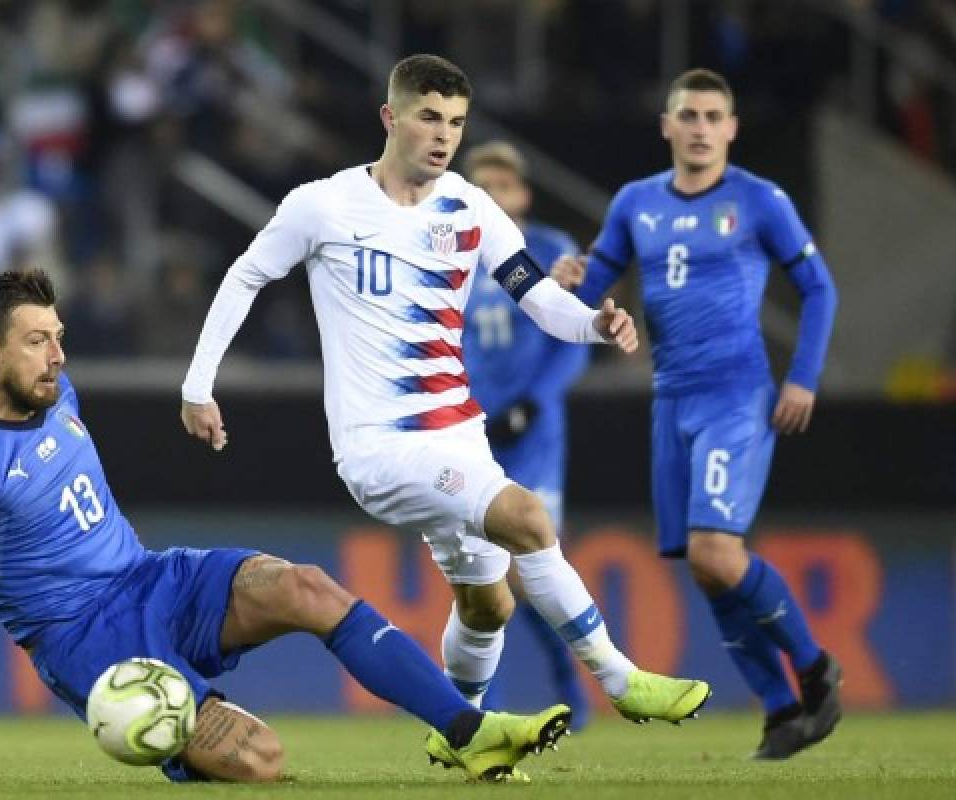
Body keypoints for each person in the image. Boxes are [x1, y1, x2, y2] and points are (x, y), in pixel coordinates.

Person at [180, 53, 710, 770]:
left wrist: (595, 324)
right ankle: (623, 679)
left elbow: (534, 293)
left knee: (490, 606)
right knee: (528, 517)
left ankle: (454, 734)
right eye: (429, 117)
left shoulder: (468, 205)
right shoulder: (324, 204)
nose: (443, 135)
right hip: (379, 448)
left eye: (456, 122)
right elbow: (246, 276)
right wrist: (197, 386)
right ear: (390, 118)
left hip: (459, 437)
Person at [0, 269, 573, 789]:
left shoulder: (57, 390)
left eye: (59, 338)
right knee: (261, 760)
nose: (58, 357)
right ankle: (184, 742)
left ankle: (466, 730)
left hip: (151, 578)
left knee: (304, 586)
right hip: (85, 640)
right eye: (37, 343)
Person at [560, 68, 842, 760]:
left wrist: (801, 379)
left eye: (714, 116)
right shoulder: (635, 204)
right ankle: (779, 710)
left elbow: (818, 288)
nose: (700, 128)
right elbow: (591, 295)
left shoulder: (758, 200)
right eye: (688, 115)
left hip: (736, 396)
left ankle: (813, 667)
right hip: (671, 399)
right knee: (703, 563)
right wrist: (568, 280)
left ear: (731, 128)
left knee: (718, 552)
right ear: (667, 125)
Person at [459, 141, 590, 728]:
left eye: (504, 186)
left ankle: (568, 684)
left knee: (530, 570)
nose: (495, 197)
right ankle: (493, 706)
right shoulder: (451, 250)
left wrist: (534, 404)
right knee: (483, 576)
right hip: (470, 432)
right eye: (482, 186)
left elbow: (571, 338)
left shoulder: (550, 252)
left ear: (524, 193)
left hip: (534, 436)